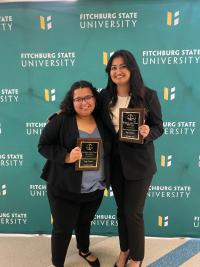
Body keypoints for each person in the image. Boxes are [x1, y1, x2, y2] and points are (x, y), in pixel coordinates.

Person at [99, 50, 164, 267]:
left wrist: (147, 133)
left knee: (133, 213)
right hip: (114, 164)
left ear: (132, 69)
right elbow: (82, 108)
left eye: (123, 66)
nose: (118, 71)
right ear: (109, 72)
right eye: (114, 67)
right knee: (121, 211)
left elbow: (158, 127)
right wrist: (61, 112)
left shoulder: (148, 95)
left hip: (140, 164)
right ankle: (124, 251)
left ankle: (137, 258)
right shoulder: (104, 97)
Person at [38, 80, 111, 267]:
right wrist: (67, 156)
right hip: (64, 188)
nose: (84, 102)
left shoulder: (103, 120)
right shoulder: (61, 120)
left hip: (94, 188)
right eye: (78, 99)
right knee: (62, 229)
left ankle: (84, 249)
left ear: (95, 98)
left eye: (88, 97)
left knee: (85, 222)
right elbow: (43, 146)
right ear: (71, 101)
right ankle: (58, 262)